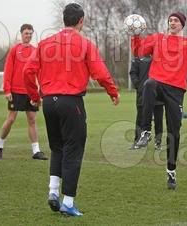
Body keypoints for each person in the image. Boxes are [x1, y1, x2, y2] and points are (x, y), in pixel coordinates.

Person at [24, 3, 119, 216]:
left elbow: (27, 71)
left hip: (49, 102)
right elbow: (101, 73)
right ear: (81, 21)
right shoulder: (84, 43)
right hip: (71, 103)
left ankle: (53, 192)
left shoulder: (45, 43)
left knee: (57, 148)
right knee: (73, 151)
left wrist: (34, 96)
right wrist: (113, 92)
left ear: (64, 19)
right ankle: (67, 202)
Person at [130, 12, 187, 189]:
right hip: (158, 84)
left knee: (174, 132)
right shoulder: (158, 38)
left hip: (176, 91)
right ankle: (145, 131)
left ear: (182, 24)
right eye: (170, 20)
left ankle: (171, 171)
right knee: (149, 84)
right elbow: (138, 52)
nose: (172, 22)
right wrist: (136, 36)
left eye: (176, 20)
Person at [0, 24, 47, 160]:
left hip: (30, 91)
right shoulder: (14, 50)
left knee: (32, 120)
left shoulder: (36, 51)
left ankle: (36, 151)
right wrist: (7, 89)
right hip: (15, 91)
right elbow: (8, 70)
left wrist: (40, 91)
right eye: (26, 33)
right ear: (21, 34)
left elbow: (39, 72)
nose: (28, 36)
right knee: (11, 119)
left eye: (30, 33)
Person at [129, 55, 164, 150]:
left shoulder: (158, 55)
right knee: (140, 117)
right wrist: (139, 86)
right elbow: (133, 73)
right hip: (142, 93)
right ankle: (137, 141)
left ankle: (158, 142)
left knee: (158, 119)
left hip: (158, 92)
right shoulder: (137, 59)